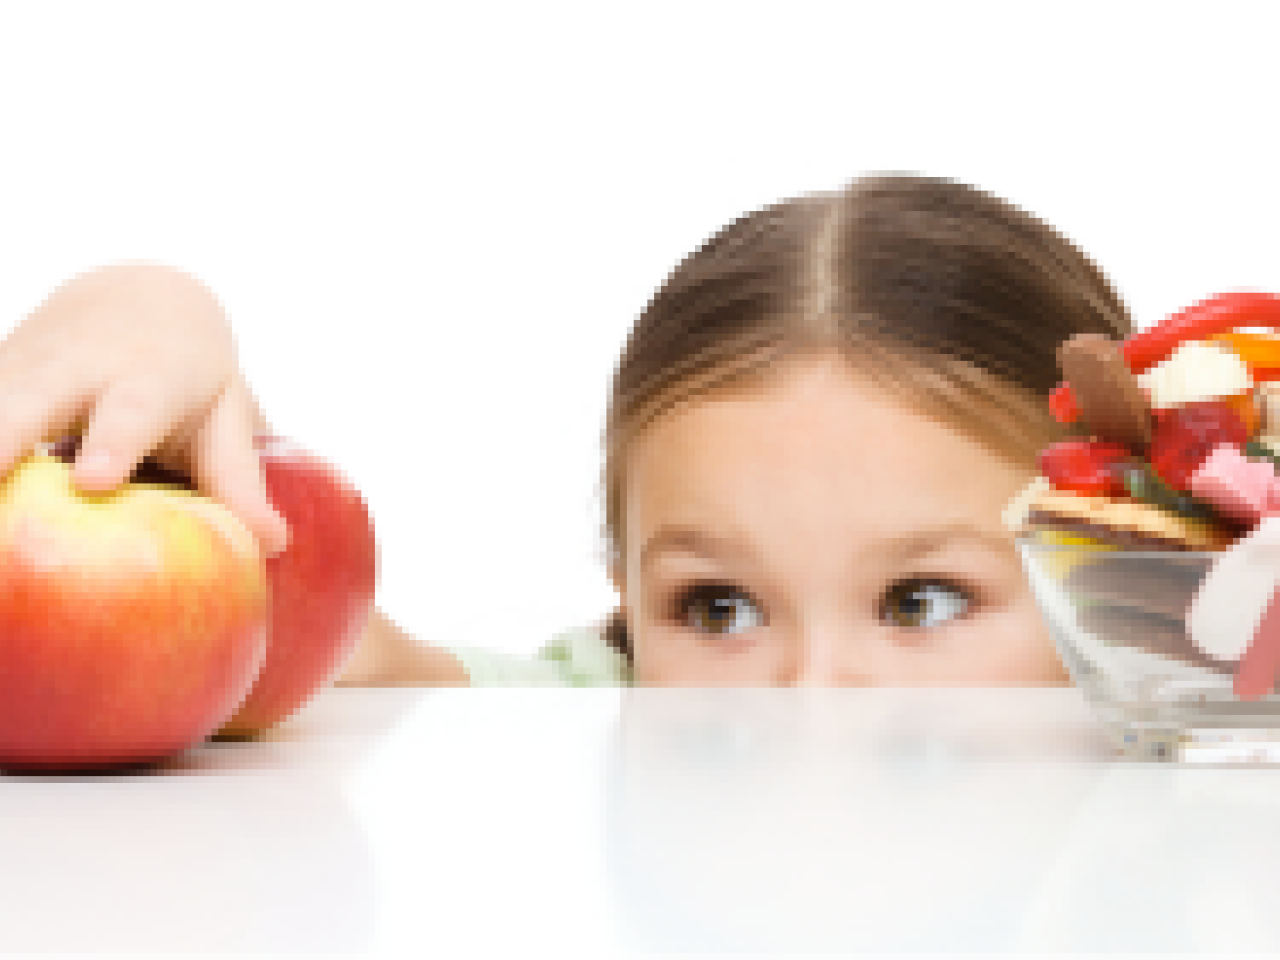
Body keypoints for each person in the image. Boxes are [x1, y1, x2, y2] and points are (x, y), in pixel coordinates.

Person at [0, 174, 1131, 686]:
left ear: (1119, 572)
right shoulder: (599, 714)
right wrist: (143, 306)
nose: (812, 699)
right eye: (716, 609)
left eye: (918, 602)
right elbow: (320, 663)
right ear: (628, 598)